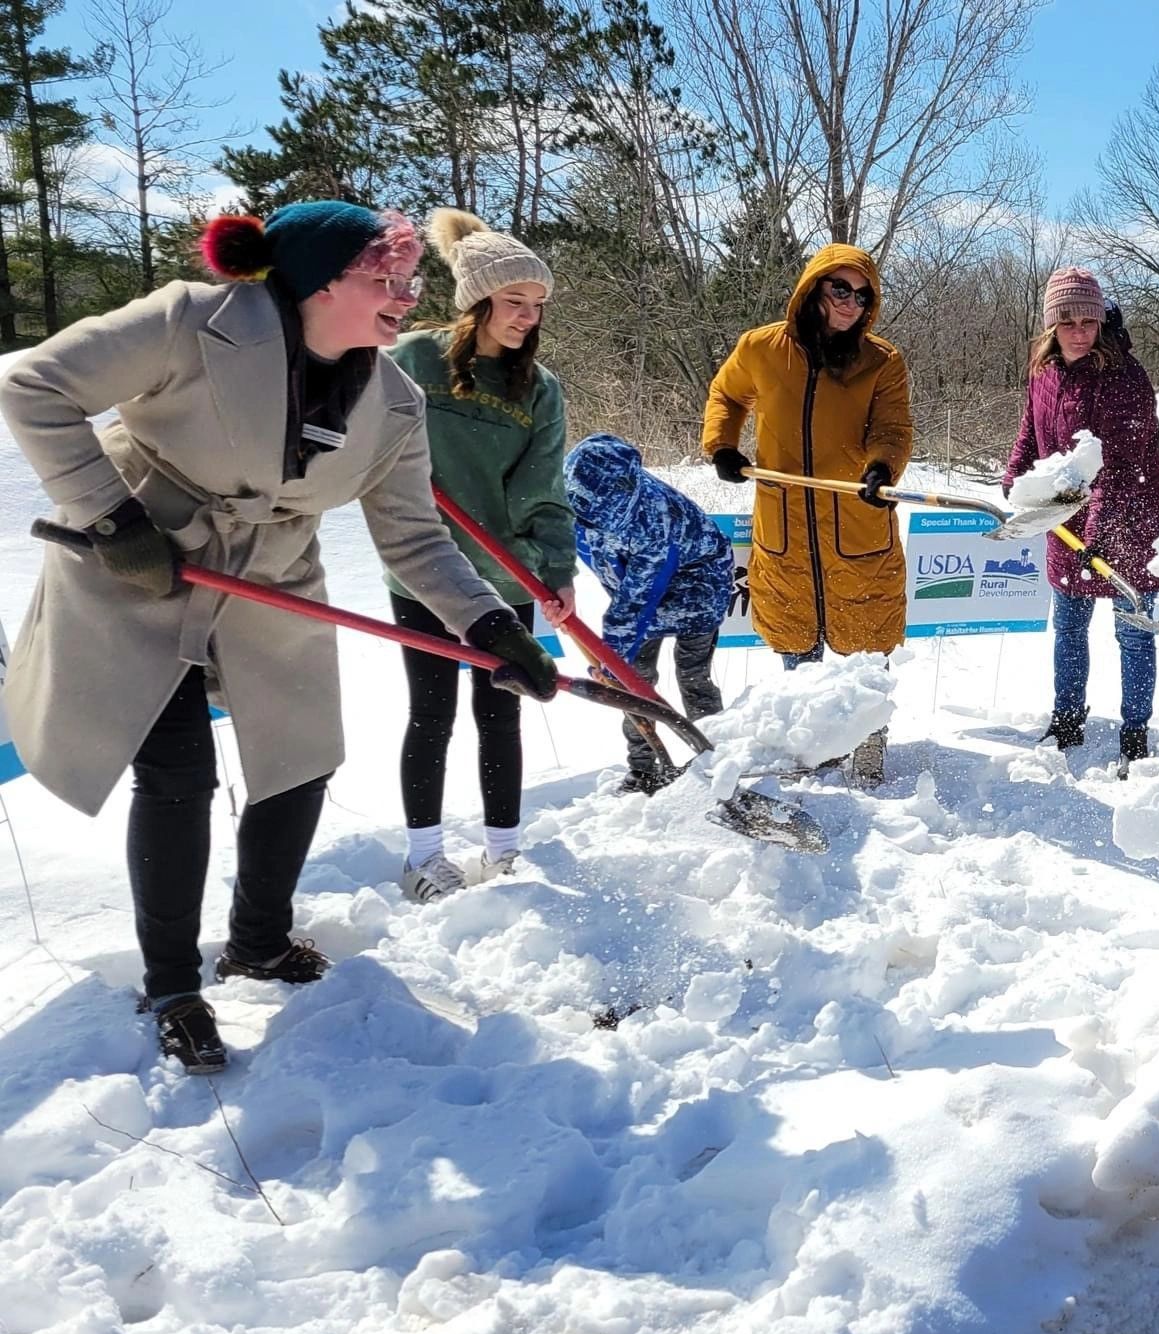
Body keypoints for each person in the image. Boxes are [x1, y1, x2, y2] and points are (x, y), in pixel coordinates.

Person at [0, 202, 555, 1073]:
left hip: (270, 575)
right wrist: (110, 517)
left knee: (301, 755)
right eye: (388, 279)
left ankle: (257, 940)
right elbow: (32, 384)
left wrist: (489, 625)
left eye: (410, 282)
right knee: (178, 769)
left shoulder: (393, 401)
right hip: (141, 563)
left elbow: (413, 538)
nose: (406, 299)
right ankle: (175, 986)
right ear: (320, 279)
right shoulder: (190, 321)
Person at [387, 209, 575, 900]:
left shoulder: (540, 389)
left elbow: (544, 488)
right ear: (476, 300)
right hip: (424, 571)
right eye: (514, 301)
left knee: (501, 711)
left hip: (503, 575)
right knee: (430, 712)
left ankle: (503, 850)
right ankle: (423, 857)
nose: (528, 317)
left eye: (537, 305)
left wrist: (553, 570)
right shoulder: (409, 362)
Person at [701, 244, 911, 788]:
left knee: (865, 655)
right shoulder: (762, 348)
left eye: (862, 294)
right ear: (813, 289)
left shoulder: (881, 361)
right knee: (797, 650)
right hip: (786, 529)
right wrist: (723, 445)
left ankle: (867, 757)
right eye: (840, 289)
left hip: (857, 526)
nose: (851, 302)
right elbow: (727, 393)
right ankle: (811, 757)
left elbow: (892, 428)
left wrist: (881, 468)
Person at [1005, 267, 1159, 773]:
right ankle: (1067, 717)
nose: (1079, 332)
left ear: (1102, 322)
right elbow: (1030, 437)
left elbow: (1124, 465)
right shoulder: (1044, 372)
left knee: (1133, 631)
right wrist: (1016, 482)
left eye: (1088, 320)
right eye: (1067, 322)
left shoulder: (1124, 377)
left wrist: (1098, 531)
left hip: (1128, 520)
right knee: (1070, 629)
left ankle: (1135, 730)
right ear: (1050, 326)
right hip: (1067, 524)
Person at [565, 433, 735, 793]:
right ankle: (644, 769)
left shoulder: (655, 520)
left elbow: (636, 603)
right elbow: (550, 540)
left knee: (692, 676)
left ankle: (717, 759)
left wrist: (611, 655)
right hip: (636, 586)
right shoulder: (574, 500)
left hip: (699, 581)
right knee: (633, 682)